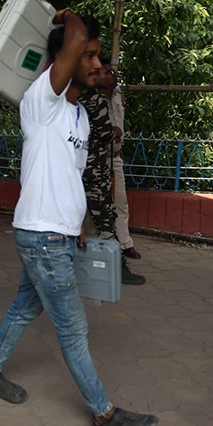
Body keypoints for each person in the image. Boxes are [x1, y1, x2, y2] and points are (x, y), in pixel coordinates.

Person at [0, 10, 158, 426]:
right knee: (73, 328)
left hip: (57, 234)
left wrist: (79, 226)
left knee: (24, 307)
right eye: (88, 56)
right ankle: (104, 415)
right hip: (42, 236)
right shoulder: (42, 102)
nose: (96, 65)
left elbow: (70, 176)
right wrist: (71, 17)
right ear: (65, 61)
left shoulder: (79, 117)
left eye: (98, 58)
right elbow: (71, 40)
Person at [80, 74, 145, 285]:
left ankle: (91, 262)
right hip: (94, 165)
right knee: (105, 216)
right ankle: (116, 266)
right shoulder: (92, 96)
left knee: (101, 211)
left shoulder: (71, 94)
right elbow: (105, 131)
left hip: (88, 162)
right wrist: (114, 130)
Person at [98, 59, 141, 260]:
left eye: (112, 73)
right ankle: (99, 242)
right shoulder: (93, 98)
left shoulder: (117, 95)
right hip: (96, 156)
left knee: (121, 201)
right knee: (98, 201)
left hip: (115, 156)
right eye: (106, 73)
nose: (111, 76)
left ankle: (125, 243)